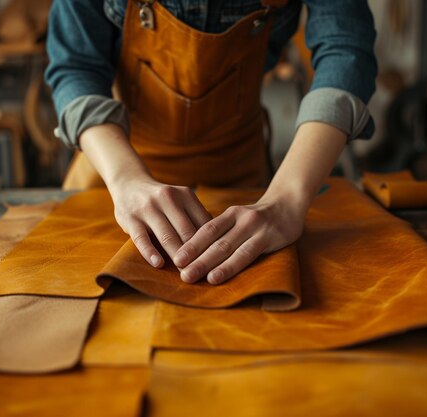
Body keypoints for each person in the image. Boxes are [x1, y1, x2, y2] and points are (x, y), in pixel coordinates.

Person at [45, 0, 377, 285]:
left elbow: (345, 51)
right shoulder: (118, 179)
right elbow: (75, 65)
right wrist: (125, 179)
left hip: (244, 184)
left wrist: (288, 199)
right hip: (112, 176)